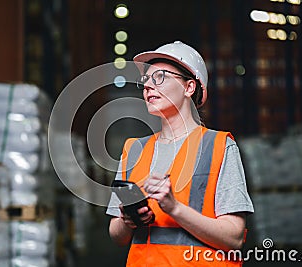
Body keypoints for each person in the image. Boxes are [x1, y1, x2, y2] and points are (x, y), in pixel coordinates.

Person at [106, 41, 254, 266]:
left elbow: (234, 238)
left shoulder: (218, 146)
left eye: (160, 77)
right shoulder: (134, 149)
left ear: (189, 88)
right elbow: (117, 236)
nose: (147, 86)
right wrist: (129, 220)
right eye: (146, 79)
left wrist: (174, 208)